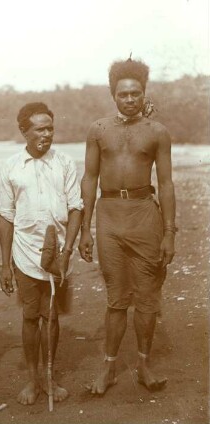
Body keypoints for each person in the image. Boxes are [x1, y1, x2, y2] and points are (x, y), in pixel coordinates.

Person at [79, 58, 176, 394]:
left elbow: (166, 184)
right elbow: (89, 178)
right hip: (108, 215)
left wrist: (169, 233)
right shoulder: (98, 130)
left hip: (144, 214)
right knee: (116, 297)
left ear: (143, 94)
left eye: (136, 93)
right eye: (124, 94)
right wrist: (84, 229)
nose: (130, 99)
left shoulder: (157, 132)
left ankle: (144, 365)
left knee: (147, 297)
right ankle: (108, 368)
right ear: (113, 95)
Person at [0, 102, 83, 405]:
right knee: (31, 316)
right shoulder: (11, 167)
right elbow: (5, 216)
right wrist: (5, 264)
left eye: (50, 128)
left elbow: (76, 208)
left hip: (59, 253)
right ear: (24, 131)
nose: (46, 134)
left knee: (52, 316)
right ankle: (33, 380)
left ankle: (50, 378)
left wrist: (68, 250)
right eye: (39, 129)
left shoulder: (65, 163)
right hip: (24, 253)